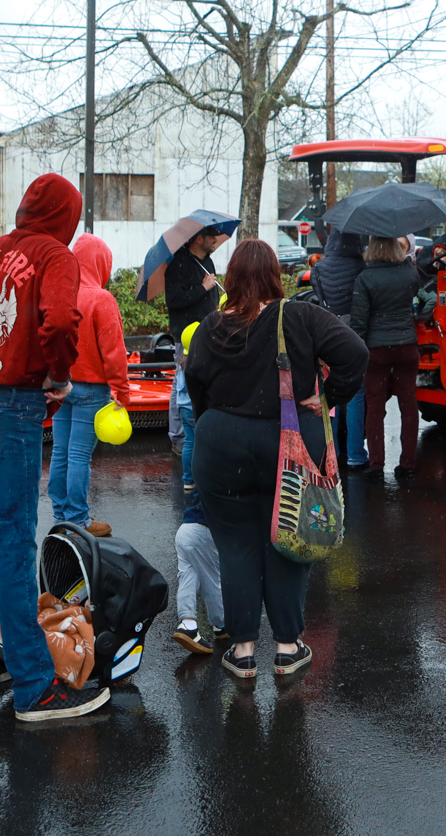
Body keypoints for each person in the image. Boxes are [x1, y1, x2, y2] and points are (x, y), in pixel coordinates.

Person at [0, 173, 108, 722]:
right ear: (68, 217)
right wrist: (57, 373)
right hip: (9, 404)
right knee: (13, 543)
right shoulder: (54, 255)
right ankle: (37, 687)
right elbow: (60, 319)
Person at [185, 238, 367, 679]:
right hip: (288, 445)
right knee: (290, 538)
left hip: (221, 447)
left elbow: (196, 387)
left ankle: (243, 650)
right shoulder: (300, 316)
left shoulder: (210, 327)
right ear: (274, 275)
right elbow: (355, 354)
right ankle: (287, 647)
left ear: (231, 278)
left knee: (236, 547)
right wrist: (324, 399)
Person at [49, 234, 133, 536]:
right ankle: (79, 519)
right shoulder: (102, 299)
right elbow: (114, 353)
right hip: (91, 390)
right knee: (79, 455)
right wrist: (122, 392)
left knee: (61, 451)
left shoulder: (62, 294)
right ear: (101, 264)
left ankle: (60, 513)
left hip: (61, 385)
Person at [350, 236, 423, 475]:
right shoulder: (410, 273)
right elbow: (416, 302)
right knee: (408, 404)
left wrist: (356, 352)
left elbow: (359, 322)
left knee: (375, 407)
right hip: (407, 346)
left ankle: (377, 465)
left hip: (377, 350)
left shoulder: (365, 278)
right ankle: (408, 464)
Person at [165, 227, 229, 493]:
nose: (216, 241)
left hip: (208, 330)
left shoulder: (207, 261)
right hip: (187, 336)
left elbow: (210, 292)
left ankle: (188, 429)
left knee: (191, 383)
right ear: (198, 238)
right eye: (212, 237)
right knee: (181, 383)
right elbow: (175, 300)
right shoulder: (178, 264)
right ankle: (179, 436)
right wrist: (202, 288)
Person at [311, 231, 371, 468]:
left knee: (329, 391)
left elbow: (319, 296)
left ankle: (331, 451)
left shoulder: (319, 266)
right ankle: (356, 453)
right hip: (352, 328)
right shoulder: (361, 266)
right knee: (356, 392)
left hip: (327, 327)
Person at [171, 497, 228, 653]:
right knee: (212, 578)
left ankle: (187, 624)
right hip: (204, 531)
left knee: (188, 577)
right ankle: (221, 624)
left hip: (185, 529)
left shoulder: (209, 478)